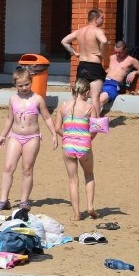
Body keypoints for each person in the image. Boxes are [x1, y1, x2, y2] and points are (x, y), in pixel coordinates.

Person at [0, 68, 58, 211]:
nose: (24, 88)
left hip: (32, 138)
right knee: (8, 167)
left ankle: (24, 201)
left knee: (27, 169)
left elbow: (47, 117)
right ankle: (3, 199)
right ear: (15, 85)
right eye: (20, 85)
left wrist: (53, 133)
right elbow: (10, 118)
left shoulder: (37, 99)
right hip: (15, 137)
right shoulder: (13, 99)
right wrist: (3, 135)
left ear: (31, 82)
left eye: (26, 84)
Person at [54, 78, 99, 221]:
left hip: (68, 145)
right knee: (89, 175)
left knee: (73, 180)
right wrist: (88, 138)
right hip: (84, 145)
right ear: (86, 92)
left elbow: (57, 128)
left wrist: (66, 136)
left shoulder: (63, 106)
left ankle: (76, 214)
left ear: (72, 91)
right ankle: (90, 206)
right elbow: (95, 128)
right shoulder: (90, 107)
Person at [61, 9, 109, 111]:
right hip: (94, 66)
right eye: (102, 18)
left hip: (82, 65)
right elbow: (104, 41)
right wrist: (102, 53)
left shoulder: (79, 31)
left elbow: (64, 41)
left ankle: (76, 116)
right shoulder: (97, 31)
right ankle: (94, 122)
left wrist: (74, 53)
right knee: (95, 97)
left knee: (79, 96)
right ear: (96, 19)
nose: (103, 20)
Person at [98, 40, 139, 115]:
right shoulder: (112, 57)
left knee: (101, 100)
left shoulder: (131, 60)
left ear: (125, 50)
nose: (117, 54)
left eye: (119, 52)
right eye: (115, 52)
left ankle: (93, 121)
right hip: (103, 81)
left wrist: (134, 72)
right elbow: (112, 69)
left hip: (114, 85)